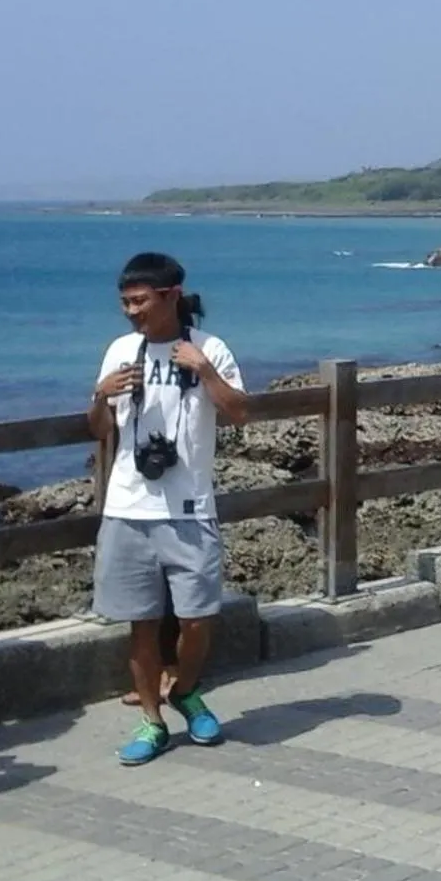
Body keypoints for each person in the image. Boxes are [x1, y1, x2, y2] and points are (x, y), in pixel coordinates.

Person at [90, 253, 249, 767]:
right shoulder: (120, 351)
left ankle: (184, 689)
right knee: (140, 622)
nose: (131, 312)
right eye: (125, 303)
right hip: (128, 507)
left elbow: (241, 412)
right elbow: (98, 429)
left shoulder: (210, 348)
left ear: (171, 296)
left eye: (140, 301)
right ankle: (152, 722)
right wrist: (101, 395)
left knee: (199, 618)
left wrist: (203, 372)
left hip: (190, 508)